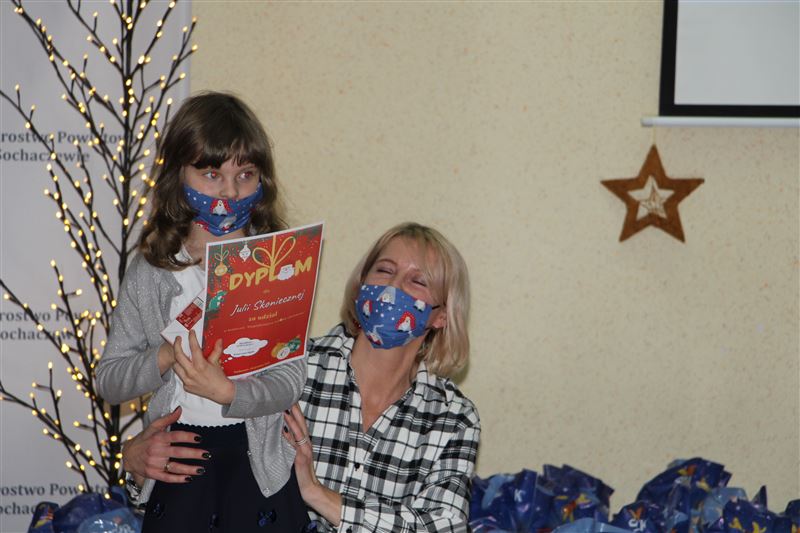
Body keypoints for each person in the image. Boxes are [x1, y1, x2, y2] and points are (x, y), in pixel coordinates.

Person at [95, 91, 310, 533]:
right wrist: (166, 355)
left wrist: (229, 392)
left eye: (245, 175)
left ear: (262, 180)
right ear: (178, 175)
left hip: (257, 462)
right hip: (181, 455)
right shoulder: (152, 270)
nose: (229, 191)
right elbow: (110, 380)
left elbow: (291, 380)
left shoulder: (278, 262)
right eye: (211, 174)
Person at [282, 222, 480, 532]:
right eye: (385, 270)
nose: (394, 288)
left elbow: (445, 526)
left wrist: (315, 493)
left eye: (417, 281)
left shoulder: (454, 417)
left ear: (441, 315)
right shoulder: (293, 368)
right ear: (361, 284)